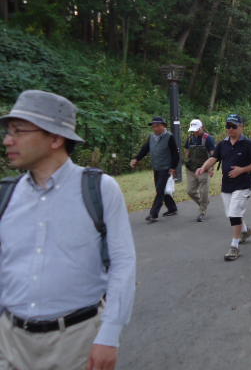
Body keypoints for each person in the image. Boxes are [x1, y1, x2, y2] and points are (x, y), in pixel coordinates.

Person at [0, 90, 136, 370]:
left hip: (76, 342)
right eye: (8, 131)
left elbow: (123, 263)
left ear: (55, 139)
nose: (8, 140)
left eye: (19, 131)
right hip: (9, 341)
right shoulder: (6, 195)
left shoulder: (99, 189)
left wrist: (109, 335)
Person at [196, 114, 251, 261]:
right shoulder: (222, 144)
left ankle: (234, 246)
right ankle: (245, 231)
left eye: (233, 126)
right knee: (231, 214)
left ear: (241, 127)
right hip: (227, 185)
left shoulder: (248, 144)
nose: (230, 129)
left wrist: (241, 170)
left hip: (243, 184)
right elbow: (214, 158)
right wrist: (203, 167)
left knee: (235, 213)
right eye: (228, 126)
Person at [130, 117, 179, 223]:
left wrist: (173, 167)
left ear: (163, 126)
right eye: (153, 126)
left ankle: (153, 214)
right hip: (156, 167)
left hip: (166, 168)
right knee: (160, 189)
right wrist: (136, 159)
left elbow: (175, 154)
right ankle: (172, 208)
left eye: (157, 126)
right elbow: (145, 149)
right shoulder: (151, 137)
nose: (155, 128)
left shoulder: (169, 137)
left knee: (160, 190)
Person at [184, 119, 216, 222]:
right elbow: (187, 151)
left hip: (204, 169)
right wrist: (186, 161)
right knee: (190, 191)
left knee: (203, 191)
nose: (195, 132)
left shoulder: (208, 139)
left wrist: (211, 168)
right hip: (191, 169)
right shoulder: (190, 138)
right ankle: (204, 203)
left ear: (201, 128)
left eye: (196, 130)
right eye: (193, 130)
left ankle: (202, 211)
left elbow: (213, 155)